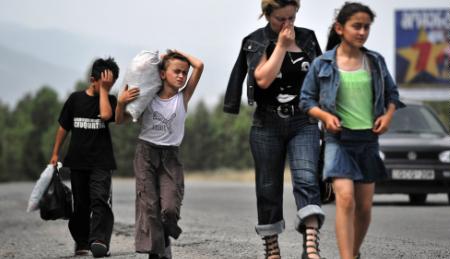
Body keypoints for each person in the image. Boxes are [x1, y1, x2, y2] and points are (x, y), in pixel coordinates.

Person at [299, 2, 405, 259]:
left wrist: (388, 116)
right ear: (340, 28)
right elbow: (306, 100)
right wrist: (325, 116)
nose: (362, 32)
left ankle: (353, 254)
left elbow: (392, 95)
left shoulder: (375, 61)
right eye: (356, 26)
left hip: (368, 141)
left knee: (365, 207)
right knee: (345, 199)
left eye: (366, 27)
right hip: (338, 141)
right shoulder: (323, 64)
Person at [224, 0, 325, 258]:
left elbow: (322, 78)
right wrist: (280, 45)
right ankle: (272, 247)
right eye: (282, 18)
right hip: (266, 123)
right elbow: (263, 79)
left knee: (306, 178)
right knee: (268, 187)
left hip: (304, 120)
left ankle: (311, 244)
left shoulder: (308, 38)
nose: (288, 24)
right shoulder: (255, 41)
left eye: (292, 17)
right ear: (267, 15)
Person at [115, 50, 204, 259]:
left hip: (171, 157)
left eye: (184, 73)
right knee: (150, 207)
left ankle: (165, 236)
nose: (181, 76)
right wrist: (120, 102)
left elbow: (199, 65)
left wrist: (176, 53)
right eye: (176, 71)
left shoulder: (183, 97)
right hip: (146, 153)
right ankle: (157, 252)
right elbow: (120, 121)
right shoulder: (148, 99)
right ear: (163, 74)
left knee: (170, 208)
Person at [49, 57, 120, 257]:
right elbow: (63, 127)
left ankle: (99, 240)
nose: (108, 86)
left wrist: (105, 91)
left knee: (100, 200)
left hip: (101, 162)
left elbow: (106, 115)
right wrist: (55, 153)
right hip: (78, 162)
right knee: (81, 205)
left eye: (111, 83)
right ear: (92, 79)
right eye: (104, 83)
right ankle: (81, 241)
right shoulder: (75, 99)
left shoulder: (110, 101)